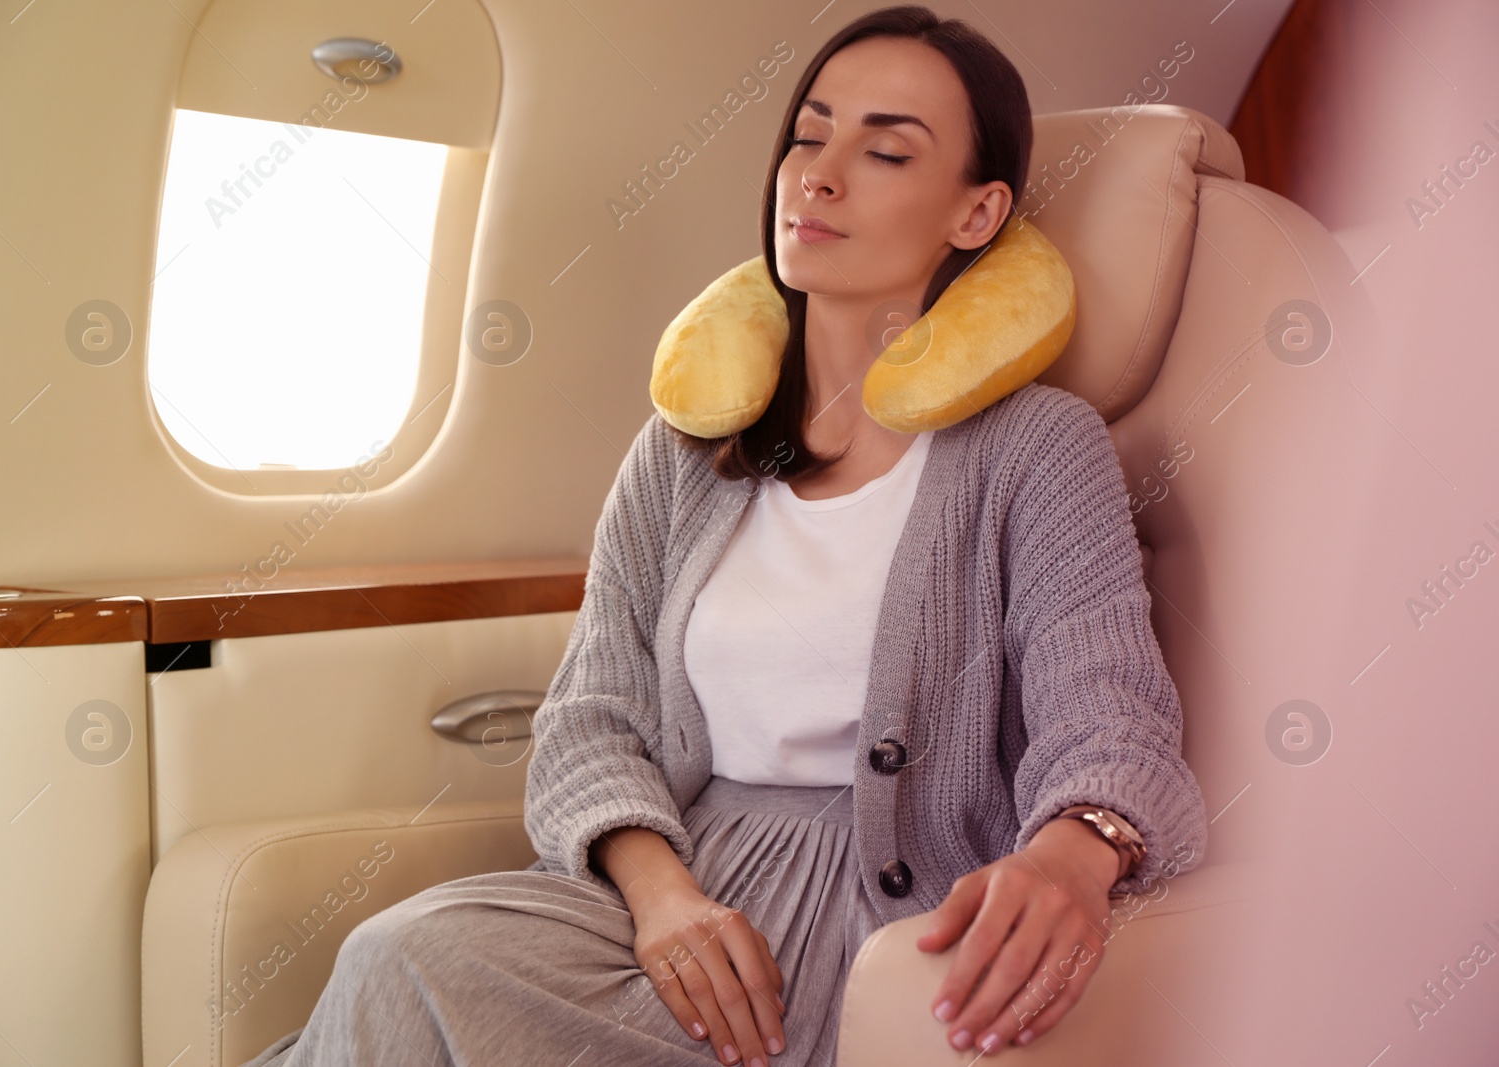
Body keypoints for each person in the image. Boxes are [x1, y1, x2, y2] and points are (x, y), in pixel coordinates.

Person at [240, 6, 1208, 1065]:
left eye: (884, 150)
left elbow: (1109, 715)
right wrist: (662, 898)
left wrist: (1074, 854)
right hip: (676, 891)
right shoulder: (682, 449)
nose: (818, 175)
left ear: (976, 214)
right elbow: (588, 716)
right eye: (808, 134)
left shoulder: (1036, 447)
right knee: (401, 953)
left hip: (880, 908)